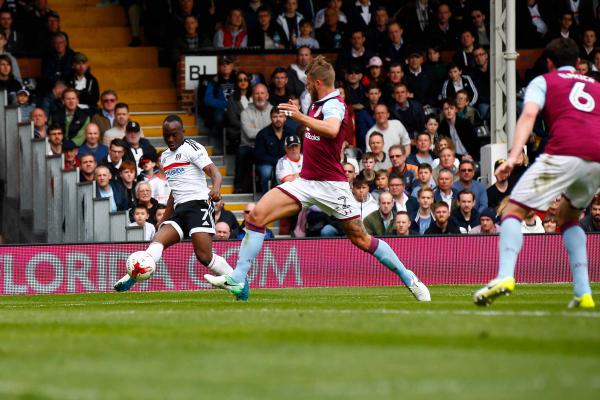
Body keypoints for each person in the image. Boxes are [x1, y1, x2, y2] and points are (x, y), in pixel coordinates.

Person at [205, 56, 430, 301]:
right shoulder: (316, 103)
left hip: (332, 187)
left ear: (318, 82)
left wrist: (300, 117)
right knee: (257, 216)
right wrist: (302, 115)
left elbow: (333, 129)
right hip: (306, 182)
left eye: (308, 83)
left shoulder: (335, 104)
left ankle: (409, 277)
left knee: (361, 239)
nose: (306, 87)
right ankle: (238, 279)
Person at [474, 38, 598, 309]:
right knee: (568, 216)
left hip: (563, 152)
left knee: (512, 211)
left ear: (550, 63)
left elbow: (529, 115)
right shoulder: (596, 86)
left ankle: (505, 276)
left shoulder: (544, 81)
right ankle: (583, 292)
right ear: (579, 63)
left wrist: (513, 156)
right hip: (596, 158)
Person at [114, 115, 243, 299]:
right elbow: (174, 191)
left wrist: (215, 189)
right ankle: (134, 273)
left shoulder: (192, 147)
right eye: (167, 136)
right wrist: (165, 217)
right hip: (180, 210)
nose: (171, 139)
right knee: (158, 241)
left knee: (204, 256)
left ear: (183, 131)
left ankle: (239, 282)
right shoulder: (165, 157)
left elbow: (214, 172)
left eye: (174, 135)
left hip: (198, 206)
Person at [254, 108, 293, 194]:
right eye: (275, 116)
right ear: (271, 118)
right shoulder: (263, 134)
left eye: (281, 116)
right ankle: (265, 195)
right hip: (267, 163)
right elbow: (259, 155)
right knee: (266, 172)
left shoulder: (290, 132)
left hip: (286, 162)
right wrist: (277, 161)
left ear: (285, 118)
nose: (278, 119)